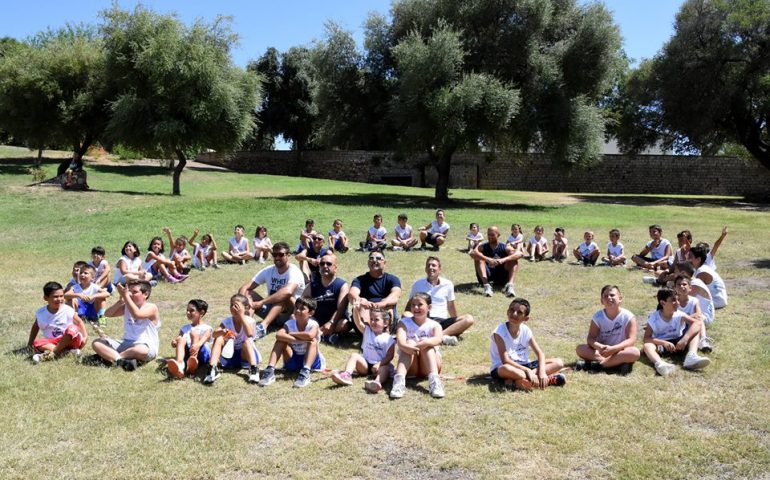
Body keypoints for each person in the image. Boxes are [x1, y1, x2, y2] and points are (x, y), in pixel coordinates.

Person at [489, 297, 566, 391]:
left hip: (525, 365)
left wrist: (542, 371)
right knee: (506, 369)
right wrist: (527, 370)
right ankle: (547, 380)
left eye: (519, 312)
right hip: (507, 368)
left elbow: (540, 354)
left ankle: (521, 381)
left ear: (526, 318)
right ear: (507, 311)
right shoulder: (499, 332)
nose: (514, 314)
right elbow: (505, 360)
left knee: (558, 362)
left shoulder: (526, 330)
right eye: (512, 310)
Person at [239, 242, 306, 338]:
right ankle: (246, 323)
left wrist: (262, 302)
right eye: (275, 255)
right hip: (271, 310)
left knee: (284, 296)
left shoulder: (294, 272)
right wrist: (244, 304)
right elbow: (245, 287)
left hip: (290, 313)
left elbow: (288, 292)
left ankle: (262, 327)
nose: (277, 257)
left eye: (281, 255)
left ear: (288, 255)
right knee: (248, 293)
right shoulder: (269, 270)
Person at [92, 281, 161, 371]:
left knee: (139, 350)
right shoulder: (127, 306)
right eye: (129, 291)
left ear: (145, 294)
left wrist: (125, 296)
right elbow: (108, 314)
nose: (130, 294)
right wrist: (120, 302)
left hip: (145, 346)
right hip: (126, 343)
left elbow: (137, 314)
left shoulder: (151, 307)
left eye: (134, 292)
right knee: (97, 343)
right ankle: (120, 361)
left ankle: (109, 357)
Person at [258, 297, 325, 388]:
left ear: (311, 312)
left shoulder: (313, 324)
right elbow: (278, 335)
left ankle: (306, 372)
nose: (298, 310)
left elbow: (310, 336)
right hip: (293, 361)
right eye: (296, 307)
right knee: (280, 340)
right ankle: (270, 370)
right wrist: (296, 340)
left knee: (312, 341)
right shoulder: (289, 323)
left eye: (302, 309)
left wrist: (292, 333)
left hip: (312, 362)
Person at [407, 256, 475, 346]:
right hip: (424, 319)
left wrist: (457, 325)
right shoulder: (418, 284)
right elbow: (410, 305)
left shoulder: (448, 284)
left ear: (439, 269)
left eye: (433, 265)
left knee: (468, 319)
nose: (431, 267)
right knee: (406, 315)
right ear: (425, 269)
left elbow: (451, 306)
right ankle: (441, 337)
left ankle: (439, 336)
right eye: (428, 266)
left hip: (442, 321)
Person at [642, 288, 710, 377]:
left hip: (679, 344)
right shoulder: (654, 318)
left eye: (678, 299)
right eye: (674, 300)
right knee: (647, 346)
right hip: (662, 346)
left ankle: (691, 357)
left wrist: (685, 339)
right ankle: (660, 365)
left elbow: (697, 323)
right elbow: (646, 338)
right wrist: (663, 342)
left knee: (694, 332)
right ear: (663, 303)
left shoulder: (679, 314)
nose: (678, 303)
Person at [390, 293, 445, 399]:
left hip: (429, 365)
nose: (416, 307)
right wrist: (410, 346)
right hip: (411, 366)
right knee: (409, 343)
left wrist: (424, 343)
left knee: (427, 342)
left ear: (429, 307)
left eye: (420, 304)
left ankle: (435, 382)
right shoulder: (403, 323)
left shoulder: (435, 325)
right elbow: (401, 342)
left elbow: (438, 339)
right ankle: (398, 383)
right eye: (413, 305)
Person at [575, 285, 640, 374]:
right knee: (580, 349)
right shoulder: (597, 317)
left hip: (620, 351)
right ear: (602, 301)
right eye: (605, 296)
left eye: (612, 295)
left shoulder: (628, 316)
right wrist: (599, 346)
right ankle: (616, 364)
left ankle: (598, 366)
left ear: (620, 298)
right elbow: (590, 339)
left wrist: (614, 348)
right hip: (602, 352)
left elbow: (631, 340)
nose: (609, 298)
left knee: (635, 352)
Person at [330, 305, 395, 392]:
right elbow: (358, 322)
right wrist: (356, 310)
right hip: (365, 365)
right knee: (354, 355)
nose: (373, 322)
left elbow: (390, 356)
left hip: (379, 366)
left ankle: (376, 383)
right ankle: (347, 375)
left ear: (385, 323)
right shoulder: (367, 331)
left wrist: (379, 364)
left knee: (385, 369)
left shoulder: (389, 339)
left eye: (376, 319)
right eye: (371, 319)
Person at [203, 294, 261, 384]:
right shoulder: (227, 322)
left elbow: (250, 334)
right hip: (229, 356)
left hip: (245, 356)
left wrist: (241, 316)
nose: (233, 308)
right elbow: (214, 334)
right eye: (231, 305)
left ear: (246, 308)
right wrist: (222, 332)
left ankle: (253, 369)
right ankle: (212, 369)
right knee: (218, 338)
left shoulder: (250, 321)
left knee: (246, 341)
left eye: (236, 306)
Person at [28, 281, 88, 363]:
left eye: (61, 296)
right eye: (55, 296)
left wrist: (85, 337)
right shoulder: (41, 313)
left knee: (73, 328)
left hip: (70, 340)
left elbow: (79, 322)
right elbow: (35, 326)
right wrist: (29, 344)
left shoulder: (67, 310)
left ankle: (53, 353)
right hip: (53, 342)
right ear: (46, 298)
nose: (59, 299)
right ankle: (66, 353)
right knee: (37, 343)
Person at [348, 251, 402, 333]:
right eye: (371, 258)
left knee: (389, 306)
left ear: (384, 262)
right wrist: (362, 301)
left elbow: (396, 294)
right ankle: (370, 334)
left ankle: (383, 333)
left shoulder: (392, 279)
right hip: (366, 311)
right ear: (368, 262)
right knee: (361, 306)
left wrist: (383, 303)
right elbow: (352, 294)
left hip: (384, 309)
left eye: (378, 258)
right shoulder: (359, 280)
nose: (374, 260)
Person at [304, 253, 350, 344]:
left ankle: (322, 334)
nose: (325, 266)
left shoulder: (342, 285)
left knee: (344, 324)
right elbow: (302, 302)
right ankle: (325, 335)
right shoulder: (312, 285)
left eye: (329, 264)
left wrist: (331, 322)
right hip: (316, 320)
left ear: (335, 268)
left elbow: (340, 308)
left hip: (335, 320)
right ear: (319, 267)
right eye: (322, 264)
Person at [470, 226, 523, 297]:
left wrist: (503, 259)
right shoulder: (483, 246)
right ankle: (486, 286)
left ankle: (510, 286)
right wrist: (487, 259)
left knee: (513, 259)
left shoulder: (504, 247)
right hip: (487, 275)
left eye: (492, 235)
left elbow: (520, 254)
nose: (490, 237)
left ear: (498, 235)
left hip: (502, 276)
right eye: (488, 235)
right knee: (478, 258)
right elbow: (472, 253)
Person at [166, 299, 212, 379]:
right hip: (187, 353)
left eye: (192, 310)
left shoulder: (207, 328)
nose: (188, 312)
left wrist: (197, 345)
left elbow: (205, 338)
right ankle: (180, 364)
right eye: (187, 310)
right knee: (181, 339)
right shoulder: (185, 328)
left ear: (201, 313)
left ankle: (193, 360)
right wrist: (175, 341)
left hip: (202, 353)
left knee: (194, 333)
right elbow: (178, 338)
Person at [689, 244, 728, 309]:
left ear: (698, 259)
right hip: (718, 298)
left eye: (690, 257)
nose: (687, 259)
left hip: (717, 300)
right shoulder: (700, 269)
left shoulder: (702, 272)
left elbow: (694, 291)